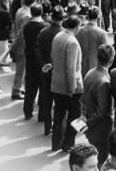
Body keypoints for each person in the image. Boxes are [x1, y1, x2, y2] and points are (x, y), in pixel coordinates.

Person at [51, 15, 83, 152]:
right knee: (75, 114)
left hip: (56, 82)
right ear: (76, 27)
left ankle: (56, 142)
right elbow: (71, 67)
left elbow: (53, 57)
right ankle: (69, 143)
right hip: (69, 85)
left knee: (59, 114)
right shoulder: (73, 42)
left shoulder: (58, 36)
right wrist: (72, 87)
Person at [84, 43, 115, 166]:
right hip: (101, 131)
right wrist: (88, 125)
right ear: (111, 60)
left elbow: (83, 99)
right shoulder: (105, 82)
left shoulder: (89, 73)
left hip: (91, 127)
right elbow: (102, 112)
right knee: (100, 162)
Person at [36, 4, 65, 136]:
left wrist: (44, 65)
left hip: (46, 72)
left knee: (47, 102)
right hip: (60, 73)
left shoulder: (44, 32)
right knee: (59, 105)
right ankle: (59, 129)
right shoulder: (64, 34)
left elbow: (38, 50)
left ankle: (47, 127)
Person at [22, 3, 49, 120]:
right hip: (42, 60)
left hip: (30, 59)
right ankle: (42, 114)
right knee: (43, 88)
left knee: (30, 87)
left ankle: (27, 111)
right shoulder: (45, 26)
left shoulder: (26, 26)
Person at [78, 7, 108, 77]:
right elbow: (106, 51)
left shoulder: (79, 31)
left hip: (81, 66)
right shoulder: (101, 32)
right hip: (96, 67)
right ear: (99, 16)